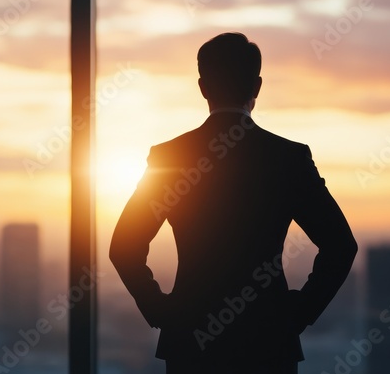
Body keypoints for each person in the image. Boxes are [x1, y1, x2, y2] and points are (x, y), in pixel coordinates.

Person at [110, 32, 357, 374]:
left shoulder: (171, 157)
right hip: (268, 343)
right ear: (256, 87)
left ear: (203, 87)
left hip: (191, 343)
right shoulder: (288, 158)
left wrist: (162, 312)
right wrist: (299, 313)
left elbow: (124, 246)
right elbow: (341, 246)